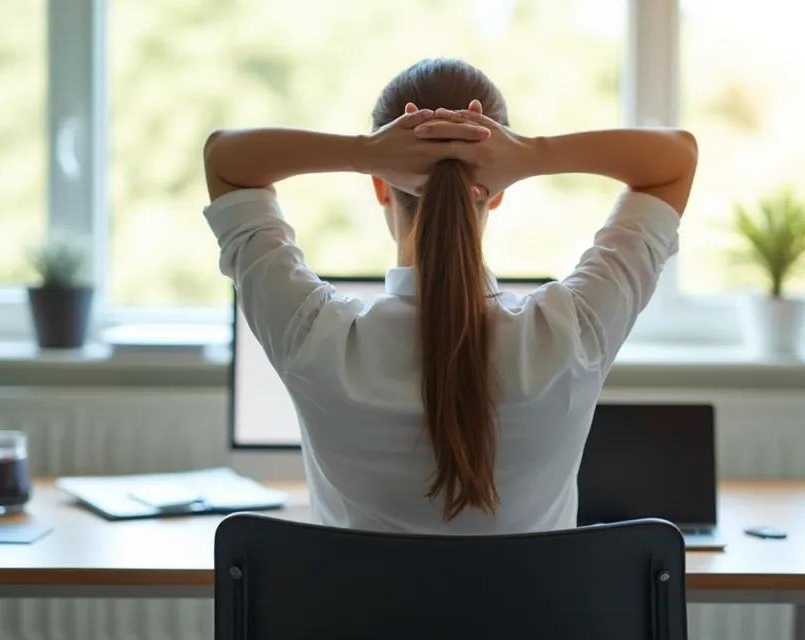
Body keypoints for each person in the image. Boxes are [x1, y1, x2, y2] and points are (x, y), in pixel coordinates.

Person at [203, 58, 696, 534]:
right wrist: (530, 153)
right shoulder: (572, 332)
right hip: (531, 624)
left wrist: (362, 151)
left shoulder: (313, 335)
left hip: (358, 625)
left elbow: (225, 160)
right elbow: (675, 160)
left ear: (381, 187)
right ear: (498, 191)